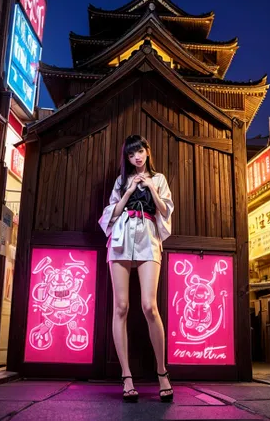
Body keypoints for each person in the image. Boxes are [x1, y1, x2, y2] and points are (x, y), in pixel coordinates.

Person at [99, 135, 174, 403]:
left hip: (148, 236)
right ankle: (126, 376)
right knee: (121, 306)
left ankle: (162, 373)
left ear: (147, 151)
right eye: (131, 155)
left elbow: (165, 211)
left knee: (149, 306)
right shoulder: (121, 181)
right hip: (121, 237)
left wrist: (151, 188)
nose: (137, 158)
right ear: (127, 158)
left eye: (140, 152)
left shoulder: (160, 179)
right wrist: (129, 190)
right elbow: (112, 213)